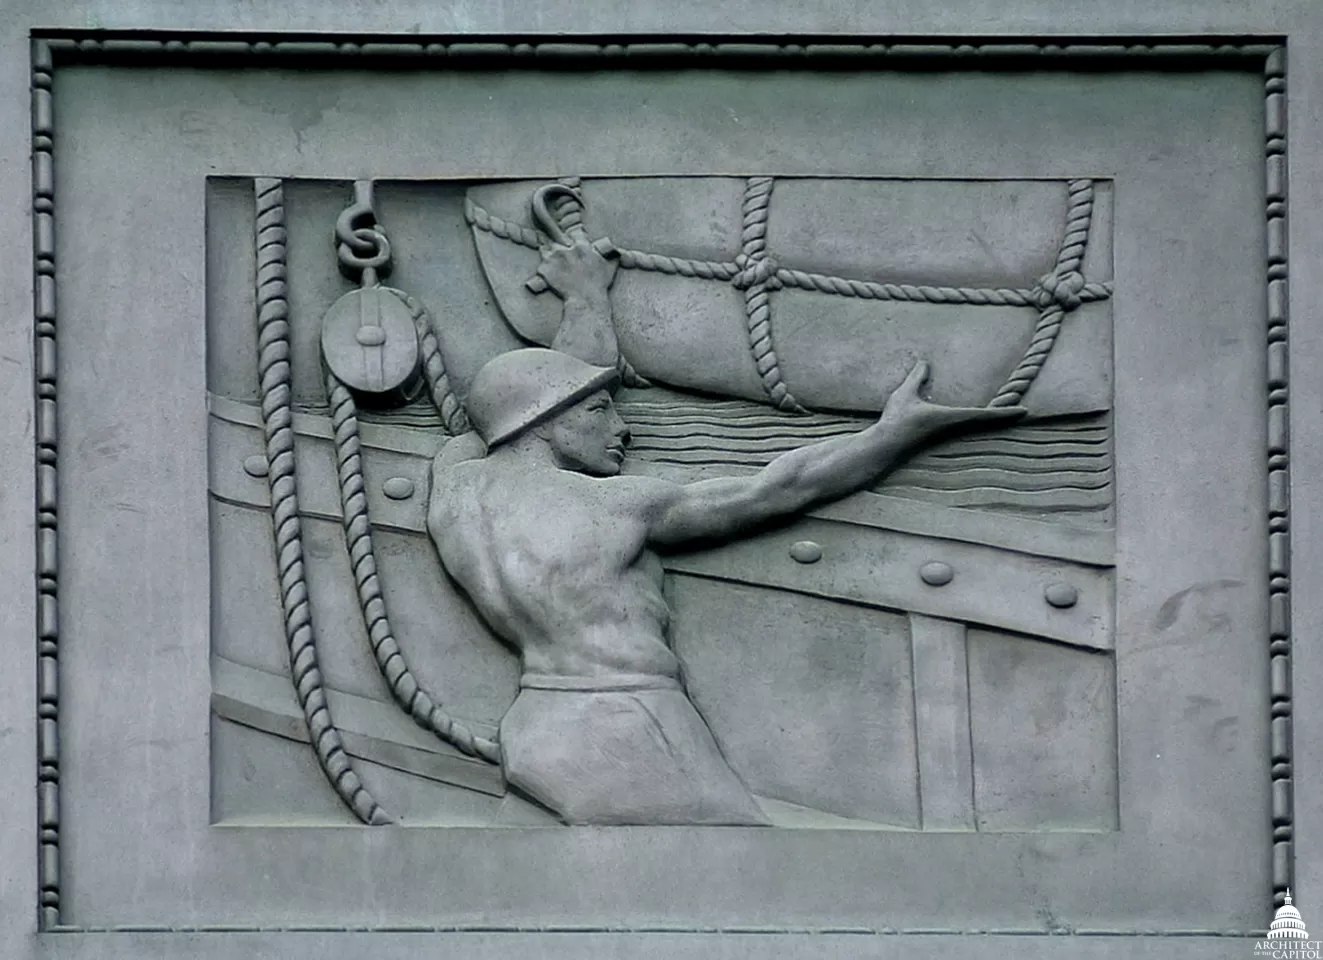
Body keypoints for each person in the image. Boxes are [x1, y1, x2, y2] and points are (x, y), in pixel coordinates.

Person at [426, 238, 1023, 825]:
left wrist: (585, 298)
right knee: (744, 871)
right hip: (626, 721)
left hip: (536, 720)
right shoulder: (619, 506)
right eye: (600, 410)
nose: (623, 426)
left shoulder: (455, 487)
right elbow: (778, 489)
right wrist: (892, 434)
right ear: (546, 421)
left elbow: (519, 404)